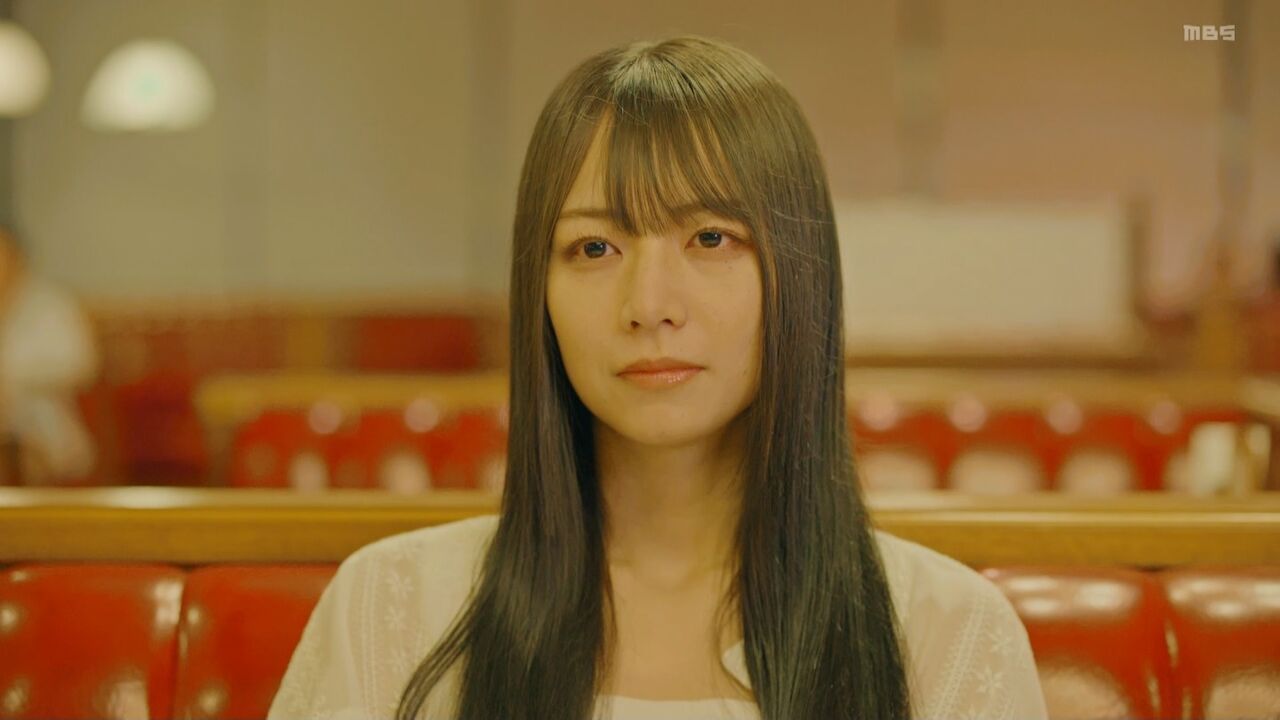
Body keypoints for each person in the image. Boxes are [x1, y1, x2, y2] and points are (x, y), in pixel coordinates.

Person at [268, 36, 1047, 720]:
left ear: (800, 275)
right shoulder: (393, 608)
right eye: (594, 249)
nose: (649, 306)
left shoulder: (944, 632)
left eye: (710, 238)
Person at [0, 224, 98, 484]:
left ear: (17, 259)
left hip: (43, 419)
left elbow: (81, 365)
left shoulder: (53, 306)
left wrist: (13, 380)